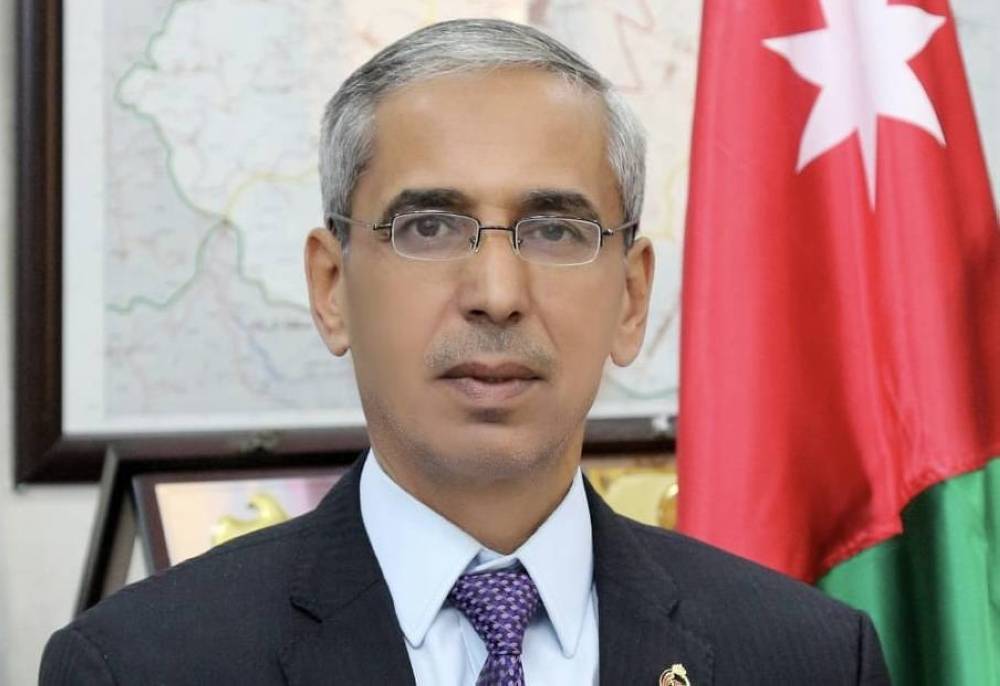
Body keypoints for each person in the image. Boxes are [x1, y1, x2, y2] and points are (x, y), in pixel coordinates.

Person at [40, 19, 890, 685]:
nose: (496, 291)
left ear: (631, 299)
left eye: (554, 230)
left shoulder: (809, 658)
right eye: (430, 227)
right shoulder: (142, 666)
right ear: (332, 288)